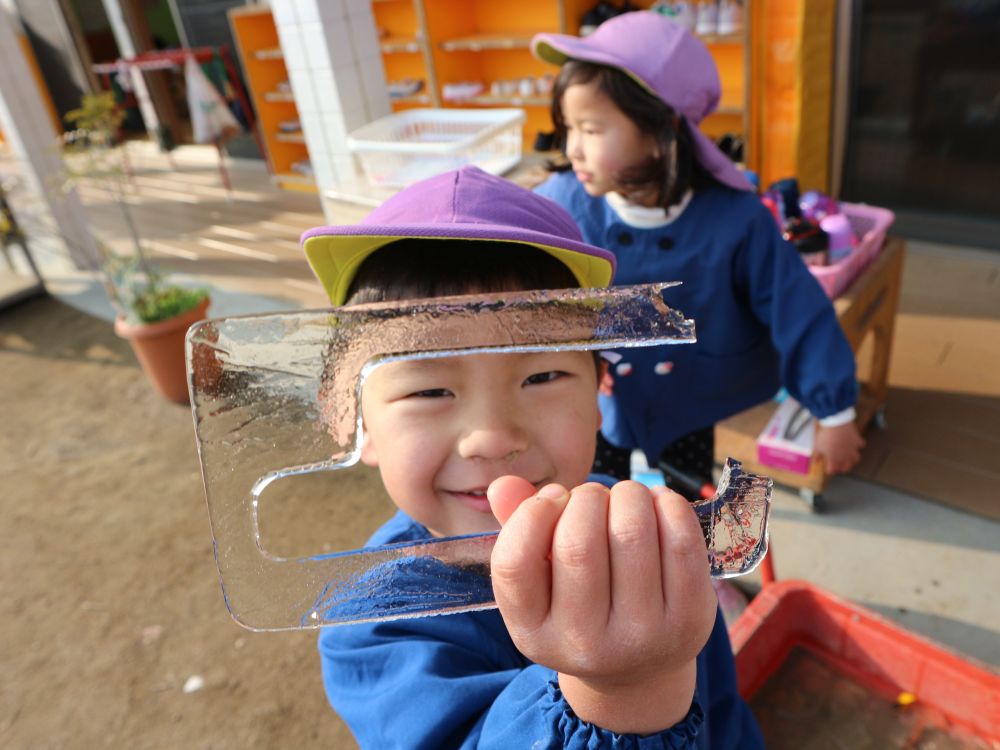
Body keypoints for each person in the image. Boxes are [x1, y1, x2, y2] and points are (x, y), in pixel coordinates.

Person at [301, 165, 764, 748]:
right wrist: (617, 691)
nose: (493, 437)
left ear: (600, 394)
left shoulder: (633, 525)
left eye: (542, 375)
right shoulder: (371, 626)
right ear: (354, 422)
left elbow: (722, 704)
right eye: (428, 391)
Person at [531, 11, 865, 492]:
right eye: (568, 127)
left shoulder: (736, 220)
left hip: (692, 394)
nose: (573, 148)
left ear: (660, 131)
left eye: (591, 129)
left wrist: (835, 412)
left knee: (685, 505)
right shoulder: (560, 205)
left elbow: (798, 308)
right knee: (591, 500)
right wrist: (570, 358)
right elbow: (530, 301)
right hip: (597, 397)